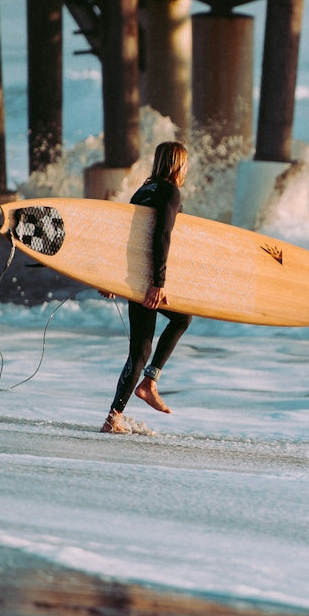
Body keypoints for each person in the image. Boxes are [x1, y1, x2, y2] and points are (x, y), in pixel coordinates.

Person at [103, 141, 193, 434]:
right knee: (181, 319)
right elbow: (161, 236)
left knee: (140, 350)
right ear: (179, 165)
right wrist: (158, 282)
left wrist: (112, 278)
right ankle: (148, 384)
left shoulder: (143, 192)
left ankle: (116, 415)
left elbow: (127, 239)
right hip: (147, 279)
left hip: (133, 276)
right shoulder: (169, 192)